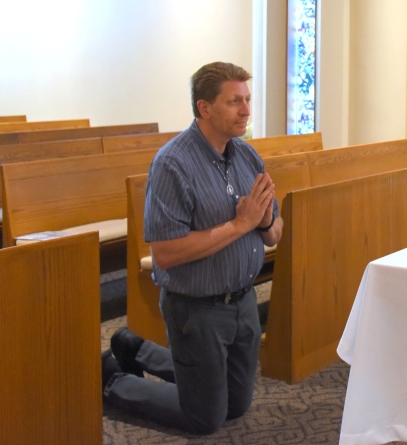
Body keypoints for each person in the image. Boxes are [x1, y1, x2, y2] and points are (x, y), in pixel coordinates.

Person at [101, 61, 283, 435]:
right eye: (235, 101)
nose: (247, 110)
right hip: (197, 308)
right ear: (205, 107)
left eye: (247, 99)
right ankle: (114, 383)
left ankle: (138, 349)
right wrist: (239, 225)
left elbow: (274, 233)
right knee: (205, 417)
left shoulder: (247, 155)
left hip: (243, 302)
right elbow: (165, 254)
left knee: (237, 405)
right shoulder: (173, 163)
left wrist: (262, 221)